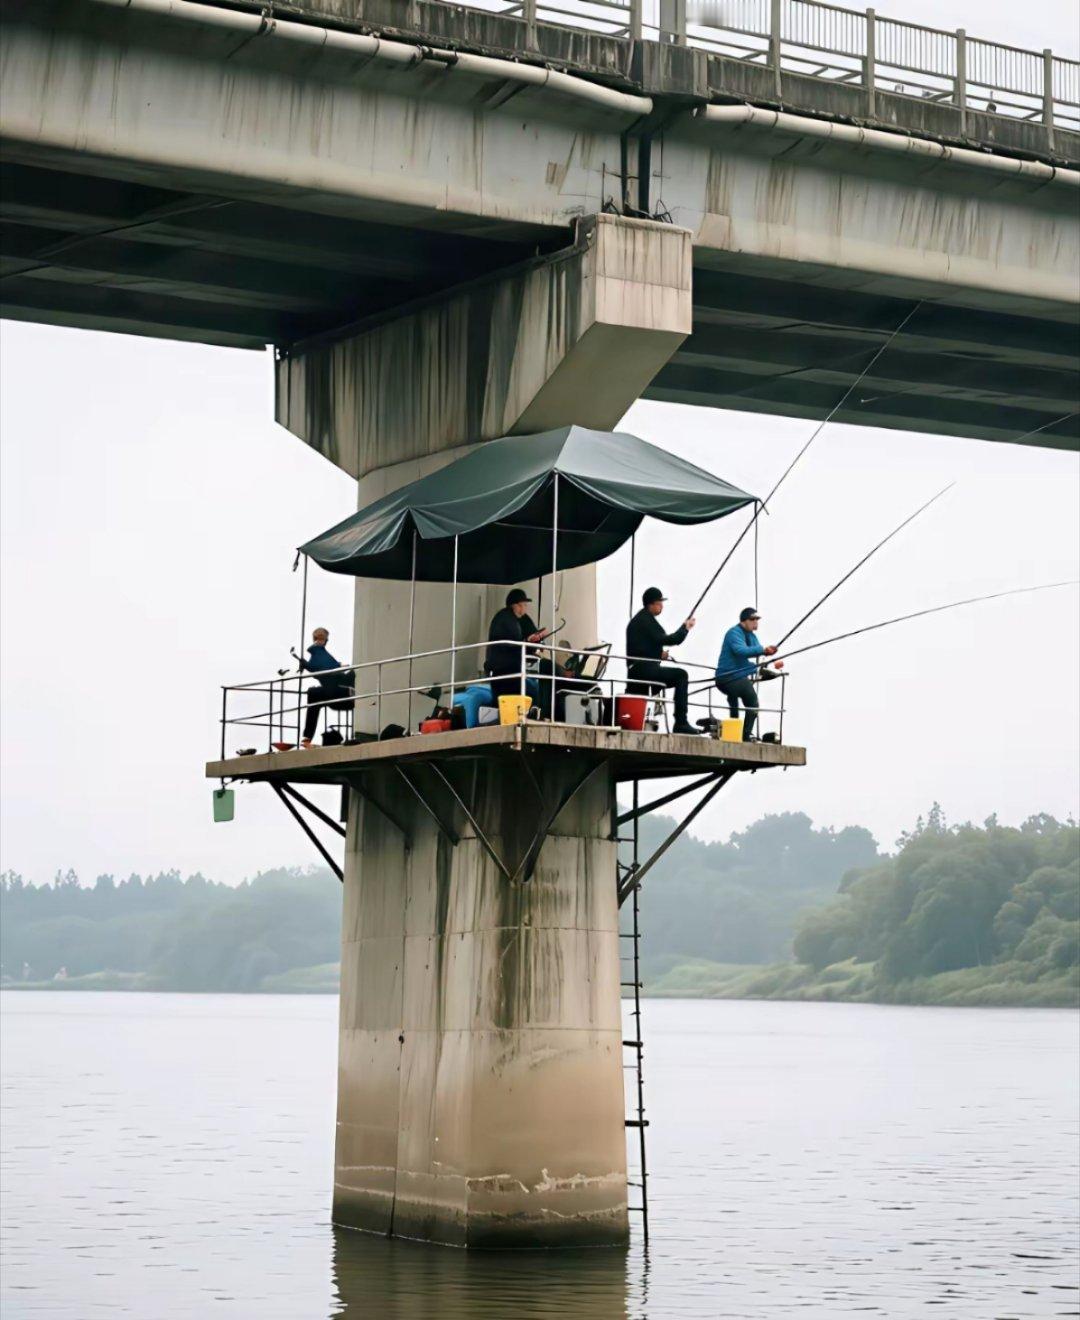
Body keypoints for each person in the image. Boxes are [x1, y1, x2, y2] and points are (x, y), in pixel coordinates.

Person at [625, 587, 698, 735]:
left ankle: (630, 720)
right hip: (643, 671)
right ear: (651, 604)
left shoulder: (640, 620)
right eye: (659, 602)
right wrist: (685, 628)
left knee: (631, 705)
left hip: (636, 670)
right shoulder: (646, 619)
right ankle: (681, 722)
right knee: (681, 675)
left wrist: (659, 654)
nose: (661, 606)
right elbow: (670, 639)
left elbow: (643, 646)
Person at [714, 607, 778, 741]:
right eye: (752, 619)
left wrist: (767, 652)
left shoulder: (751, 635)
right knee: (752, 701)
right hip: (727, 676)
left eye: (757, 619)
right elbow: (741, 651)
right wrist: (762, 650)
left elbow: (756, 652)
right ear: (744, 621)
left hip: (737, 676)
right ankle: (744, 735)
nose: (756, 622)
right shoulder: (734, 633)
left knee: (747, 702)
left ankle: (741, 733)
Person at [485, 589, 550, 715]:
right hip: (505, 671)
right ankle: (535, 716)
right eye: (523, 605)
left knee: (527, 693)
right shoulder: (507, 620)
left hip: (506, 670)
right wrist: (529, 641)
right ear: (516, 605)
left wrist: (533, 641)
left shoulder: (511, 618)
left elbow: (518, 641)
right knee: (531, 694)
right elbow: (513, 644)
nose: (525, 608)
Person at [297, 627, 354, 748]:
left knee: (313, 694)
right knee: (314, 694)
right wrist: (338, 665)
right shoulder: (318, 651)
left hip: (342, 691)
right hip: (340, 691)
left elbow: (319, 668)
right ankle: (307, 738)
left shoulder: (317, 652)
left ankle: (307, 737)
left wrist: (306, 665)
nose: (323, 641)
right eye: (323, 639)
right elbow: (322, 668)